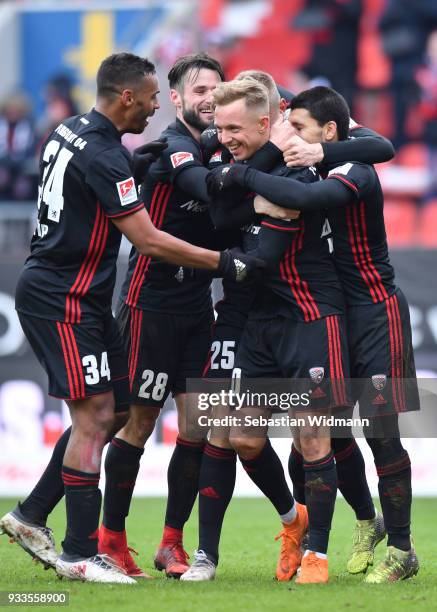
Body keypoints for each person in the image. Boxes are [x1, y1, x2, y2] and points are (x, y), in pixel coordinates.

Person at [0, 52, 263, 584]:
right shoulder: (105, 155)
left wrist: (142, 165)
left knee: (115, 410)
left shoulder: (68, 130)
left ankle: (31, 515)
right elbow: (145, 239)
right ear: (127, 97)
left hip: (86, 295)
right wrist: (223, 263)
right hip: (65, 295)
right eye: (148, 100)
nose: (152, 111)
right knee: (100, 418)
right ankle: (81, 553)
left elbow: (94, 186)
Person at [185, 72, 394, 583]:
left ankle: (317, 554)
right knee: (243, 437)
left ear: (269, 122)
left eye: (234, 127)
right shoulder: (232, 150)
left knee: (316, 435)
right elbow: (217, 204)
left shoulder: (302, 158)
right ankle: (292, 518)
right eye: (220, 127)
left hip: (310, 314)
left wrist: (241, 192)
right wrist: (234, 179)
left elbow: (376, 146)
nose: (223, 136)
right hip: (256, 320)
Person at [99, 52, 227, 579]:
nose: (210, 99)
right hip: (150, 306)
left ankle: (171, 542)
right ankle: (110, 539)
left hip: (199, 309)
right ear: (174, 99)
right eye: (199, 91)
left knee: (197, 427)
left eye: (217, 90)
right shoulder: (167, 150)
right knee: (138, 422)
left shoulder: (222, 149)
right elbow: (195, 189)